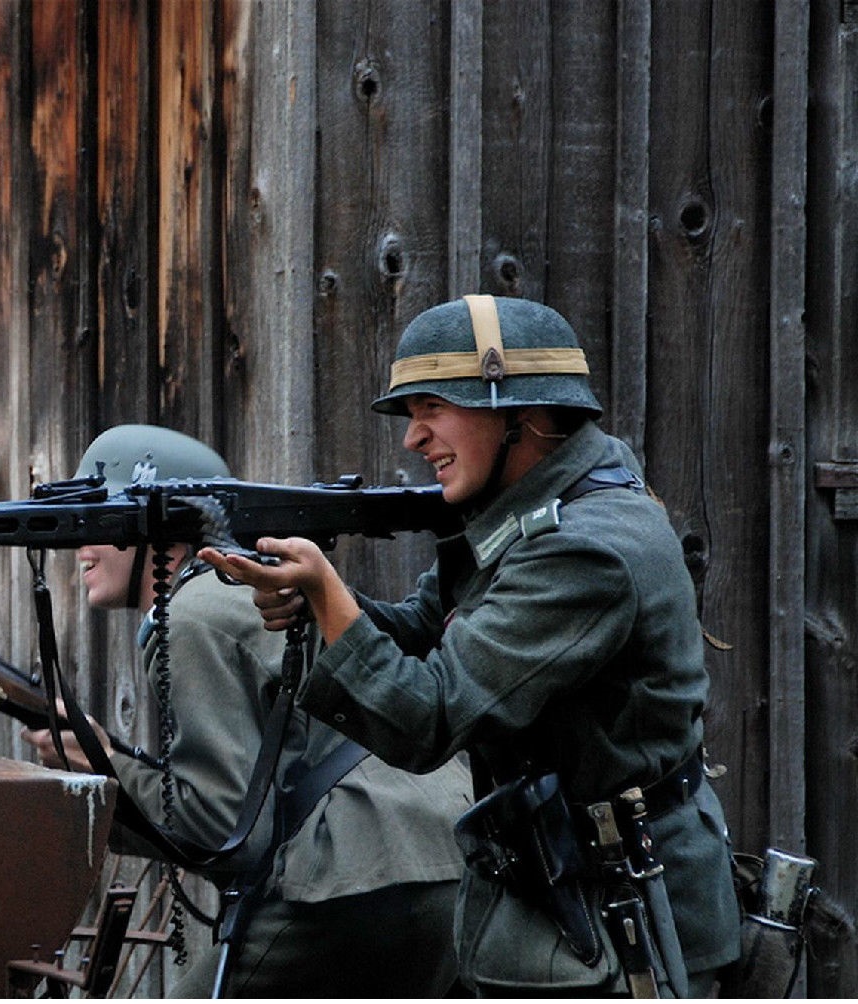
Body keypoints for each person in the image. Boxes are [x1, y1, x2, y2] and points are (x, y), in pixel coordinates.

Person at [201, 295, 741, 997]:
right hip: (558, 896)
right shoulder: (534, 515)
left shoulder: (587, 550)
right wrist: (317, 606)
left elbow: (428, 715)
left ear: (522, 414)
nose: (412, 438)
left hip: (622, 925)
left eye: (433, 408)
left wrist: (331, 600)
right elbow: (422, 631)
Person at [22, 424, 473, 998]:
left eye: (104, 524)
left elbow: (220, 827)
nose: (80, 546)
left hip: (357, 875)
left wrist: (105, 771)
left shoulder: (191, 613)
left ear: (166, 533)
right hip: (447, 858)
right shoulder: (243, 593)